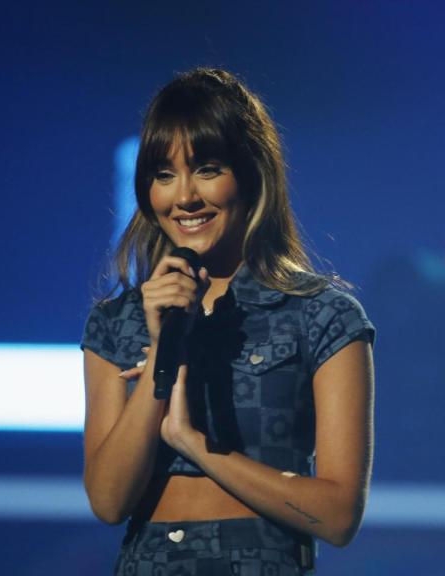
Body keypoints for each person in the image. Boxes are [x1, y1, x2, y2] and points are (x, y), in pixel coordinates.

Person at [81, 68, 376, 576]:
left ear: (251, 174)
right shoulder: (118, 322)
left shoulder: (322, 315)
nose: (185, 197)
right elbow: (109, 501)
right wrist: (159, 364)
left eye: (208, 169)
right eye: (164, 175)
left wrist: (194, 442)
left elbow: (337, 515)